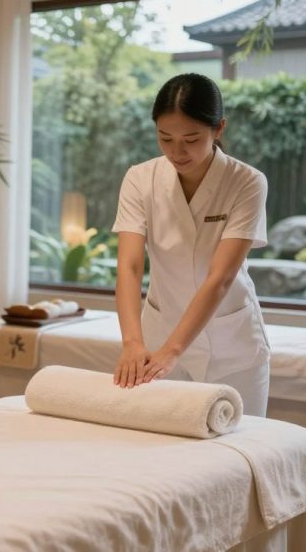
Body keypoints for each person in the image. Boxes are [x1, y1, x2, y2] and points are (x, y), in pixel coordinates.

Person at [111, 73, 271, 416]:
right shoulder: (140, 179)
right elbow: (130, 266)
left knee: (240, 443)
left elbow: (220, 278)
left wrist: (173, 350)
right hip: (159, 335)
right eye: (165, 138)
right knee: (160, 441)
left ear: (219, 128)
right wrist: (133, 343)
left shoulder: (246, 182)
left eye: (191, 139)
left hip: (232, 348)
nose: (176, 151)